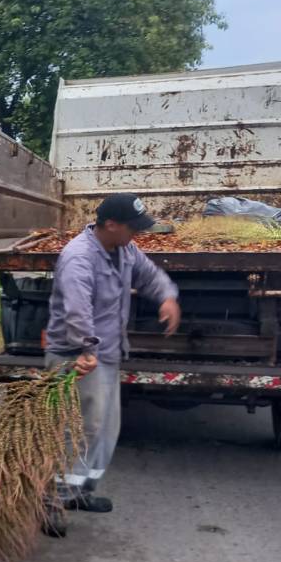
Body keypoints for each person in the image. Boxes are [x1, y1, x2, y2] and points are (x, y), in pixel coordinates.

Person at [43, 193, 180, 531]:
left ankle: (79, 491)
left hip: (105, 355)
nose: (137, 234)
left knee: (103, 430)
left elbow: (149, 274)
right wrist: (87, 350)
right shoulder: (78, 258)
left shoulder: (124, 250)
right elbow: (77, 311)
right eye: (133, 227)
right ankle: (50, 503)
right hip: (75, 357)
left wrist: (166, 296)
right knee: (72, 430)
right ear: (111, 224)